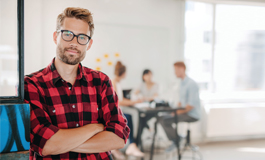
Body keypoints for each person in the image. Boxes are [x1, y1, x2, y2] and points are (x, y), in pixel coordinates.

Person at [24, 7, 129, 160]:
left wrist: (62, 142)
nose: (74, 43)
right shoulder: (32, 84)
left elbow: (119, 137)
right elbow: (45, 145)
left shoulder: (101, 82)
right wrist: (95, 128)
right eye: (67, 34)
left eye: (82, 37)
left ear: (89, 44)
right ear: (55, 37)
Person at [159, 61, 200, 151]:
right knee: (161, 117)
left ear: (182, 69)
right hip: (184, 111)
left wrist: (176, 112)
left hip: (192, 114)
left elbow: (191, 106)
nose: (174, 72)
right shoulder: (182, 83)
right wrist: (174, 109)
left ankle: (176, 140)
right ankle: (177, 139)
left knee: (164, 120)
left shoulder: (191, 84)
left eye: (176, 70)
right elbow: (181, 102)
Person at [111, 61, 145, 159]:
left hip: (119, 110)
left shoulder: (118, 83)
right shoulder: (114, 82)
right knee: (129, 117)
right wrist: (134, 102)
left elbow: (121, 98)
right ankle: (132, 144)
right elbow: (119, 102)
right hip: (113, 113)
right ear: (123, 73)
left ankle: (132, 145)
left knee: (132, 115)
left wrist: (135, 101)